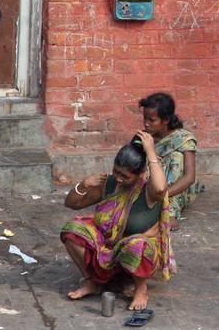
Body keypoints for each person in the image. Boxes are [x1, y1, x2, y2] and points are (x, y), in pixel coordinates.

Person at [60, 131, 175, 316]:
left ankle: (140, 289)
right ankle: (93, 282)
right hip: (108, 250)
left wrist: (151, 152)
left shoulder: (149, 191)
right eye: (116, 172)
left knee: (136, 245)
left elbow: (162, 187)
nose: (119, 178)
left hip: (137, 255)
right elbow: (72, 204)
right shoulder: (110, 183)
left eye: (125, 176)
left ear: (140, 174)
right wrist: (82, 186)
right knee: (73, 230)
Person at [139, 92, 203, 228]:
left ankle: (168, 211)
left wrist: (163, 195)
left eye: (152, 120)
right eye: (145, 119)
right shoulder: (145, 137)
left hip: (175, 190)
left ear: (166, 120)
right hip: (153, 188)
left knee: (176, 157)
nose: (146, 124)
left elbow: (189, 177)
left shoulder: (183, 139)